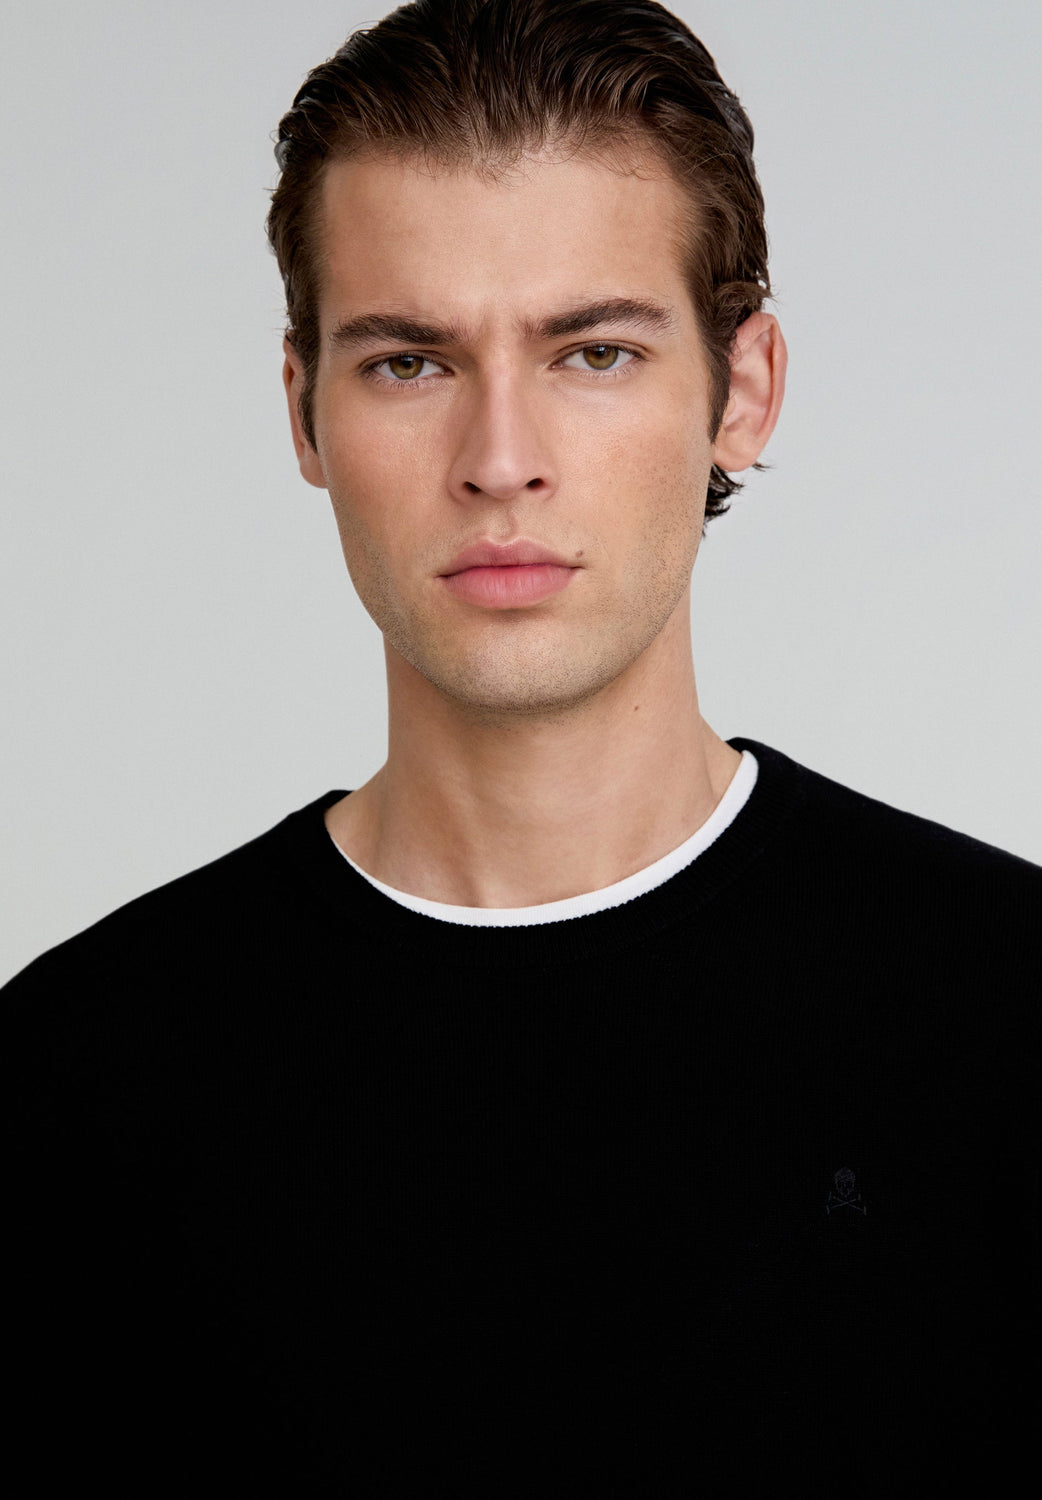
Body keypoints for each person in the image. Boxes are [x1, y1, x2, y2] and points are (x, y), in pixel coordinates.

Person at [6, 0, 1039, 1488]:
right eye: (408, 364)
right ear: (303, 413)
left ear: (742, 390)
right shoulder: (74, 1077)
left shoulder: (1007, 1014)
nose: (500, 460)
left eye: (593, 353)